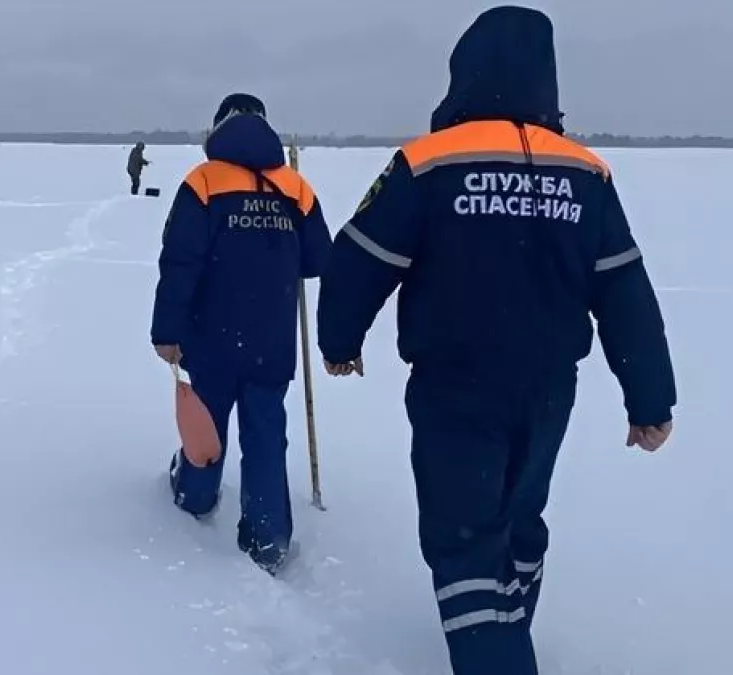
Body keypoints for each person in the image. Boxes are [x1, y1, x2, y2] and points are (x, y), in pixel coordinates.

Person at [315, 6, 676, 674]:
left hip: (457, 386)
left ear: (464, 76)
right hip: (546, 393)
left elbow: (360, 255)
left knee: (463, 541)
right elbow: (626, 290)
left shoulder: (428, 163)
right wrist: (650, 396)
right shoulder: (586, 175)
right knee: (516, 515)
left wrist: (339, 338)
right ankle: (504, 627)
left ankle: (496, 646)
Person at [150, 93, 332, 575]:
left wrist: (166, 330)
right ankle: (268, 536)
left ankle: (195, 495)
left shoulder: (203, 182)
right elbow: (319, 260)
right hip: (271, 340)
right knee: (266, 433)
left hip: (210, 336)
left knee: (205, 424)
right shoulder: (294, 186)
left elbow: (180, 263)